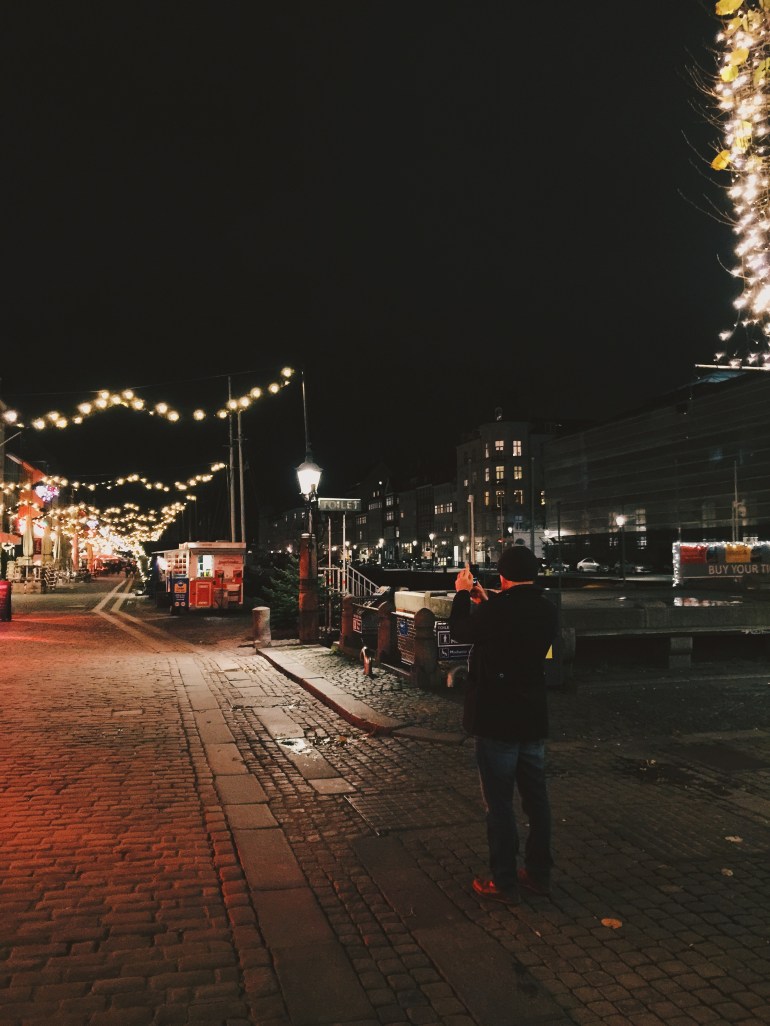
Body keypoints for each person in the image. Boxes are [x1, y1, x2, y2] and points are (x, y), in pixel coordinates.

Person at [448, 545, 558, 906]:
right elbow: (512, 619)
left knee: (499, 803)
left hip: (497, 717)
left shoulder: (497, 611)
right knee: (536, 800)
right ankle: (539, 874)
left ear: (502, 576)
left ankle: (504, 879)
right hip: (532, 714)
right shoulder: (546, 608)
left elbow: (461, 630)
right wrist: (488, 600)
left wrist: (463, 593)